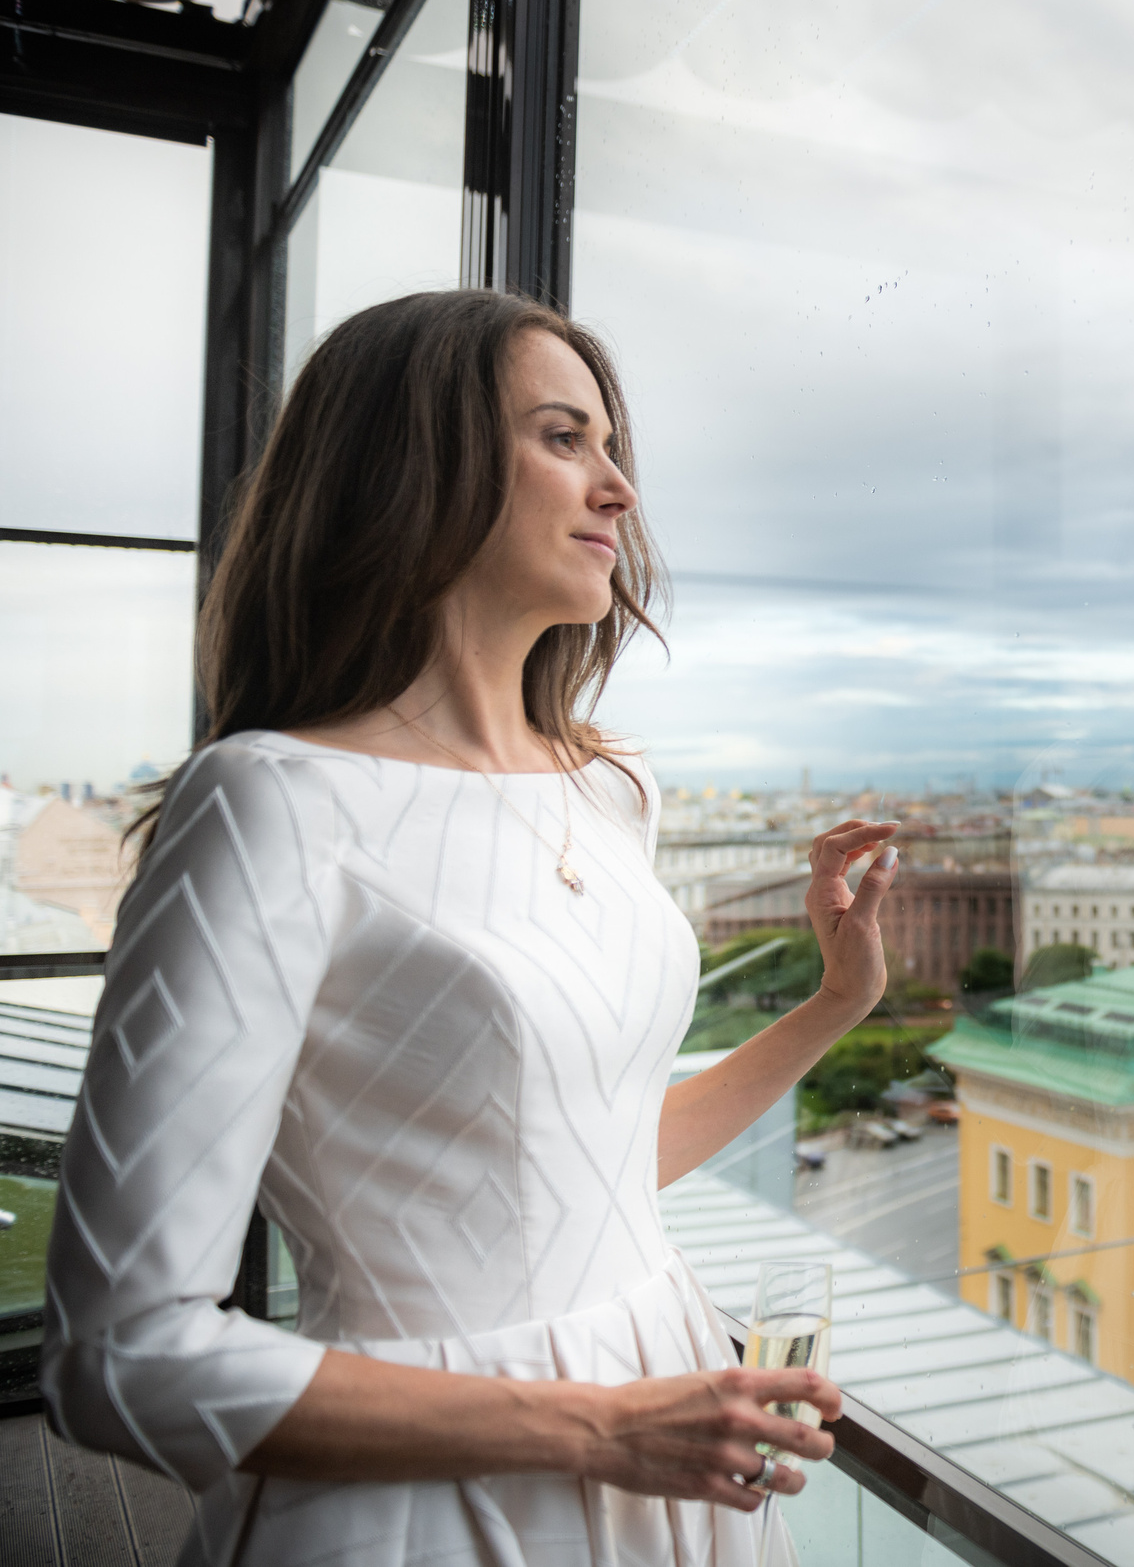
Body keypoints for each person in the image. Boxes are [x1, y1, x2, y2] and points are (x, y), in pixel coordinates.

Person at [42, 290, 899, 1565]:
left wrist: (835, 1005)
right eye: (564, 439)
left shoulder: (610, 789)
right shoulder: (271, 803)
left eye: (615, 449)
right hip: (431, 1497)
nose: (617, 490)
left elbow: (585, 1172)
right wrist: (593, 1428)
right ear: (411, 469)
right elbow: (120, 1357)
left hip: (669, 1439)